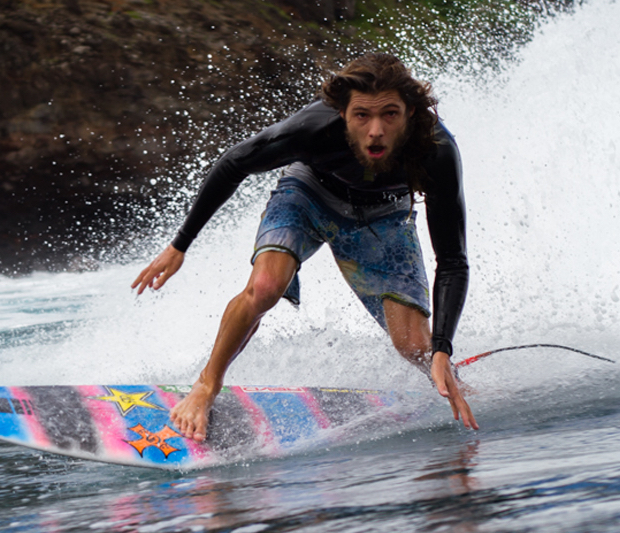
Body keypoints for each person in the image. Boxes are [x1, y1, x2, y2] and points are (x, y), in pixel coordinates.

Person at [132, 53, 477, 441]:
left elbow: (452, 261)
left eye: (390, 115)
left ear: (411, 112)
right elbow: (233, 163)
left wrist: (442, 348)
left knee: (417, 346)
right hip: (308, 195)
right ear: (342, 113)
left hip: (383, 217)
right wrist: (181, 244)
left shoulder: (436, 150)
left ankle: (456, 383)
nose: (376, 130)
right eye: (362, 115)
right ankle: (206, 385)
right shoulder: (312, 130)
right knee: (264, 287)